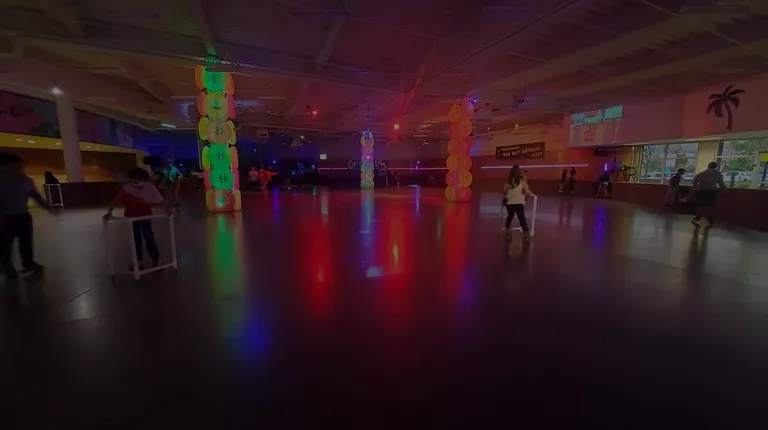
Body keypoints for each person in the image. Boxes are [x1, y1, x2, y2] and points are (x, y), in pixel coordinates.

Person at [0, 153, 55, 278]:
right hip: (6, 217)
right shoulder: (2, 180)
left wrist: (48, 207)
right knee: (5, 243)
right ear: (5, 167)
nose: (20, 169)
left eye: (21, 166)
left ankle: (28, 263)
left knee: (26, 242)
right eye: (16, 166)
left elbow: (35, 195)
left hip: (23, 216)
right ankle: (6, 265)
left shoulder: (26, 180)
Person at [104, 167, 171, 270]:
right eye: (134, 179)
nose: (137, 182)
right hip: (132, 218)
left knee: (148, 238)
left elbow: (161, 200)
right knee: (136, 239)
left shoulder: (149, 187)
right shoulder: (126, 188)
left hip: (145, 216)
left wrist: (167, 210)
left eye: (139, 178)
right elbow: (115, 201)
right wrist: (109, 212)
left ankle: (156, 259)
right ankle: (138, 261)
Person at [502, 165, 535, 239]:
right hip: (519, 202)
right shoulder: (522, 180)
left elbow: (505, 192)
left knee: (510, 216)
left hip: (510, 202)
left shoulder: (508, 181)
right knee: (522, 218)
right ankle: (525, 234)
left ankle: (507, 231)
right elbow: (527, 190)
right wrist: (531, 195)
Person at [691, 161, 726, 227]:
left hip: (701, 191)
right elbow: (721, 184)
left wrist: (696, 188)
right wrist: (724, 191)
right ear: (715, 166)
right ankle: (710, 219)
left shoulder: (702, 173)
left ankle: (698, 217)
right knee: (710, 205)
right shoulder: (717, 174)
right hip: (712, 191)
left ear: (708, 166)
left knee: (700, 205)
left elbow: (694, 181)